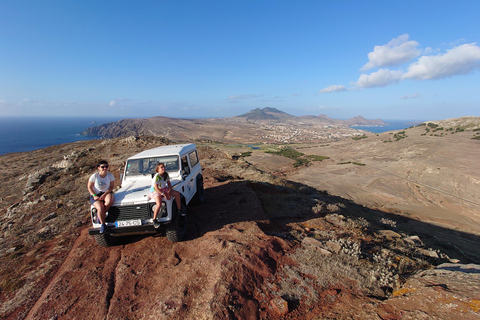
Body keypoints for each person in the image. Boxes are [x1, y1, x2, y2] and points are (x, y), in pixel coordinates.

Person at [150, 162, 183, 228]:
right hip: (156, 190)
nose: (163, 168)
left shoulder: (165, 174)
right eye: (161, 167)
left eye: (164, 167)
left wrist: (170, 190)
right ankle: (154, 220)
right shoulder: (157, 176)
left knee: (177, 194)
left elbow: (169, 183)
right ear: (158, 170)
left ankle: (179, 210)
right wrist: (163, 194)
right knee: (158, 204)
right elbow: (156, 187)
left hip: (163, 188)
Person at [87, 160, 115, 234]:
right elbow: (89, 187)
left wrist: (105, 194)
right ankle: (103, 224)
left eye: (106, 166)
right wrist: (94, 195)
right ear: (98, 168)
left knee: (109, 201)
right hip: (96, 194)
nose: (105, 168)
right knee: (100, 207)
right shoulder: (94, 176)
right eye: (102, 167)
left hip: (106, 192)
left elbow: (111, 187)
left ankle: (101, 216)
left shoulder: (110, 176)